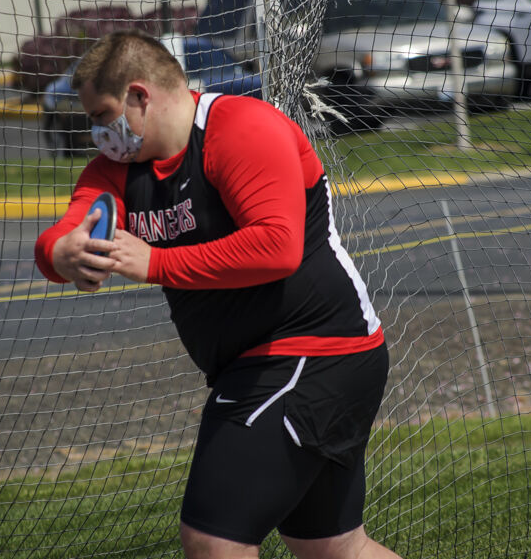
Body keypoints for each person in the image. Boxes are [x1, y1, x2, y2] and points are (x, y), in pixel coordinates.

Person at [35, 30, 401, 559]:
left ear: (141, 95)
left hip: (312, 352)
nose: (98, 133)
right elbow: (65, 233)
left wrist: (155, 262)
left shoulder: (241, 128)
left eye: (102, 115)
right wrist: (62, 254)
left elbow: (277, 248)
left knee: (214, 540)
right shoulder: (115, 170)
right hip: (266, 364)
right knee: (335, 547)